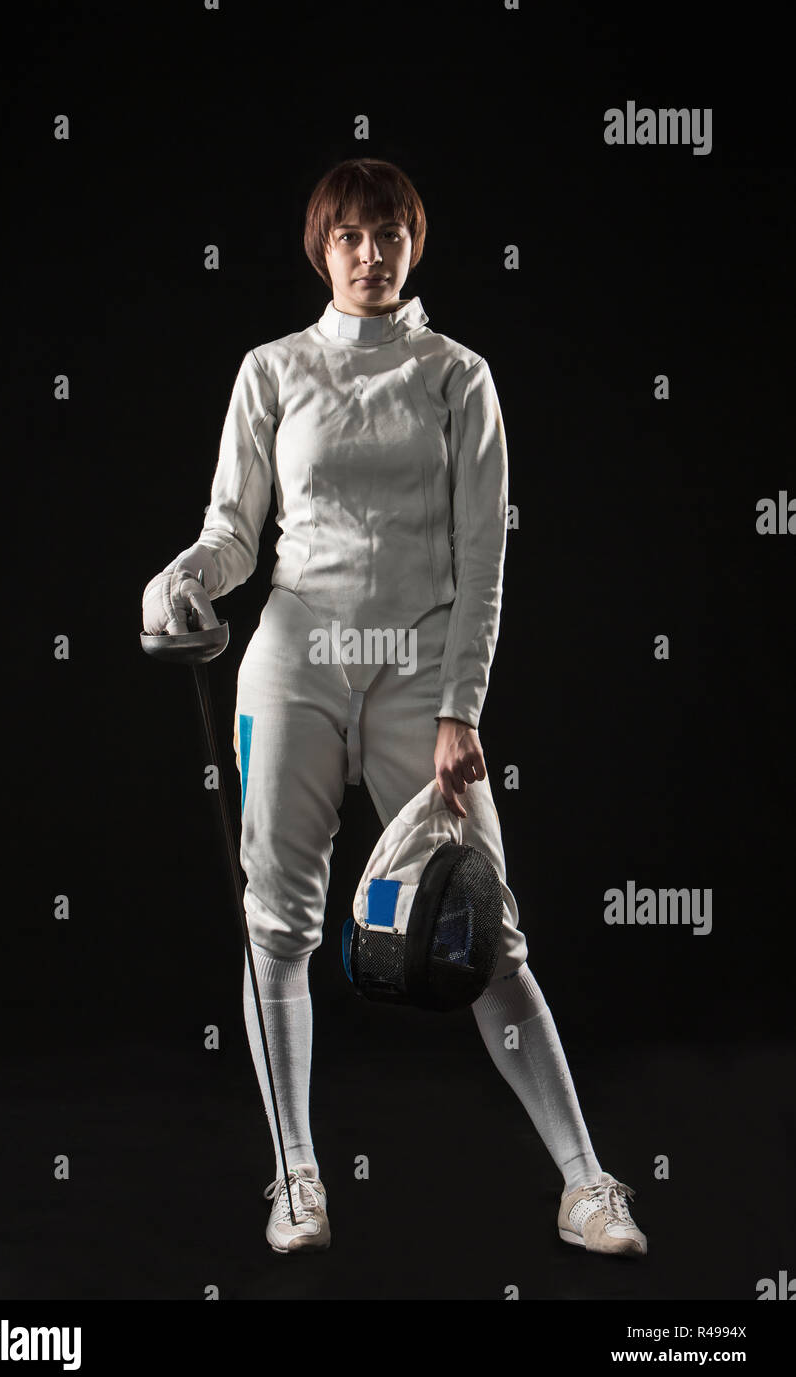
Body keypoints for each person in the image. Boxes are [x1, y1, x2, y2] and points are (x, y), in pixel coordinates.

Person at [142, 158, 648, 1261]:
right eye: (348, 238)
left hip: (421, 676)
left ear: (415, 245)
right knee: (274, 923)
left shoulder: (456, 376)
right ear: (320, 250)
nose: (369, 256)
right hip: (293, 662)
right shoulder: (271, 369)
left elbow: (485, 559)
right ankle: (298, 1181)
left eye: (388, 236)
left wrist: (460, 708)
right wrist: (183, 574)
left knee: (485, 932)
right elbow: (234, 529)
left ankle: (582, 1183)